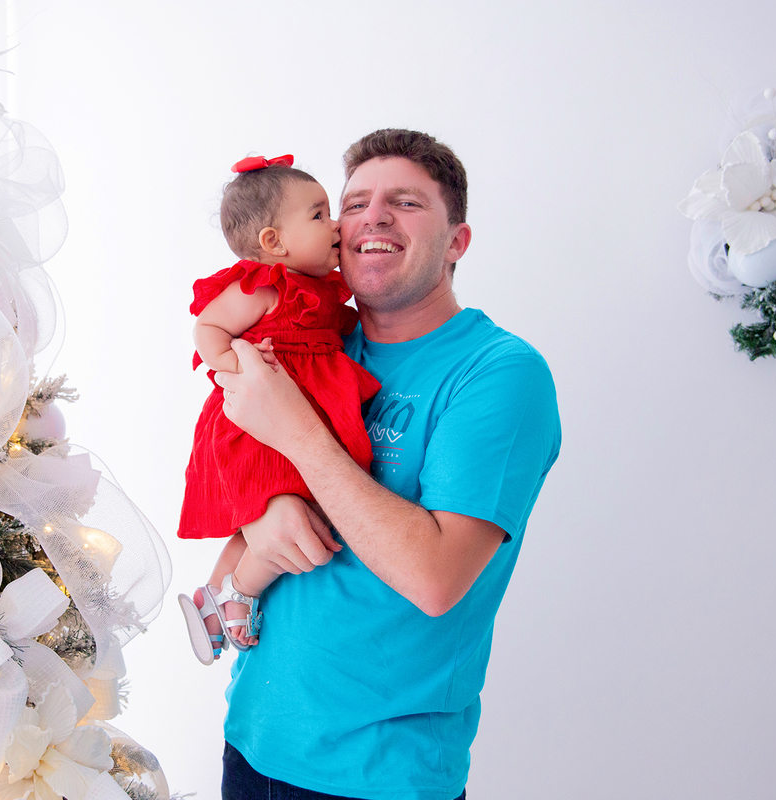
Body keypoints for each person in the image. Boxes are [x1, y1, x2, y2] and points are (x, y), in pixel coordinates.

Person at [214, 130, 562, 800]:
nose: (372, 216)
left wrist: (298, 437)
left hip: (378, 777)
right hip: (253, 743)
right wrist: (263, 519)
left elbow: (434, 578)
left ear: (457, 243)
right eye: (354, 203)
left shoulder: (498, 374)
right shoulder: (312, 347)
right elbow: (229, 551)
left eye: (405, 202)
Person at [176, 154, 380, 663]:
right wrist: (234, 367)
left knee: (270, 513)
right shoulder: (264, 286)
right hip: (256, 424)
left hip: (296, 417)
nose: (335, 225)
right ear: (274, 243)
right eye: (318, 216)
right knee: (290, 515)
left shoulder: (325, 292)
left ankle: (210, 598)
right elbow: (207, 328)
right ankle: (241, 591)